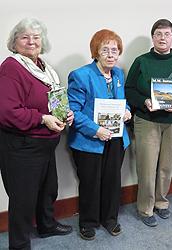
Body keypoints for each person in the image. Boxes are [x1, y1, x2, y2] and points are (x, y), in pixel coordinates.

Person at [0, 18, 73, 250]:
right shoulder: (12, 67)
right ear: (15, 42)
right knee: (23, 198)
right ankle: (19, 244)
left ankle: (46, 225)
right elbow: (7, 111)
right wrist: (42, 118)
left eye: (36, 37)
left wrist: (65, 114)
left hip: (46, 142)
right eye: (25, 37)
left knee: (48, 189)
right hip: (23, 145)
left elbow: (52, 101)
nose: (31, 41)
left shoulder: (44, 68)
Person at [125, 19, 172, 227]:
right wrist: (144, 101)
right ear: (153, 37)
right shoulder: (141, 61)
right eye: (158, 34)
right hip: (147, 120)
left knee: (166, 165)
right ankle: (145, 207)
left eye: (167, 34)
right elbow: (129, 89)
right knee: (147, 166)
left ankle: (161, 202)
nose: (162, 38)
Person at [67, 29, 131, 240]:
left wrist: (127, 110)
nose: (111, 54)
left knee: (112, 180)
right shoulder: (81, 75)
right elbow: (73, 112)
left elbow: (122, 101)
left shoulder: (119, 74)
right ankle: (88, 221)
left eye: (115, 50)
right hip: (89, 141)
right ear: (96, 52)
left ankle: (110, 218)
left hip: (116, 138)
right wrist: (96, 130)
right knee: (90, 182)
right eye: (105, 50)